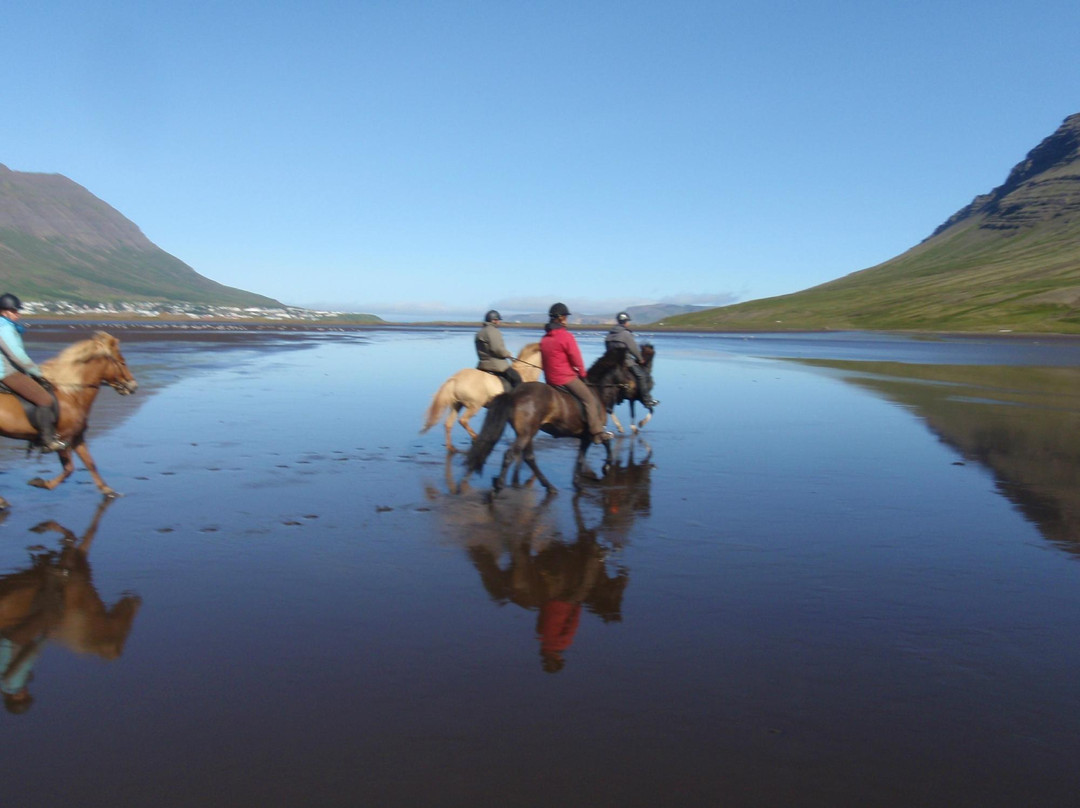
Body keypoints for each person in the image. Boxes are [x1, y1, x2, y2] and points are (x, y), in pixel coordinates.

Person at [0, 293, 66, 452]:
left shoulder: (7, 326)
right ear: (5, 311)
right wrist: (37, 373)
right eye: (15, 311)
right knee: (44, 398)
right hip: (6, 372)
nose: (18, 314)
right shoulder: (3, 327)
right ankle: (46, 441)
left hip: (9, 370)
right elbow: (16, 355)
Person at [539, 302, 613, 444]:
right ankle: (597, 433)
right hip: (566, 378)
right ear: (561, 318)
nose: (567, 320)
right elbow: (576, 359)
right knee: (590, 399)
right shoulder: (566, 336)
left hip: (550, 379)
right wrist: (583, 374)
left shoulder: (544, 339)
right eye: (566, 317)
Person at [605, 311, 659, 408]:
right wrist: (640, 358)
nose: (628, 323)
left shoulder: (609, 334)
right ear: (626, 322)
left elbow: (607, 348)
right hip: (625, 362)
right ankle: (647, 401)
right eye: (628, 321)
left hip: (611, 363)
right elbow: (633, 348)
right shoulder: (625, 334)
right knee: (642, 376)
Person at [475, 309, 522, 389]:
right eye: (498, 320)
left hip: (482, 365)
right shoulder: (493, 331)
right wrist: (507, 354)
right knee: (517, 379)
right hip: (496, 366)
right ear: (494, 320)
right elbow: (497, 349)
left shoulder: (479, 332)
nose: (499, 322)